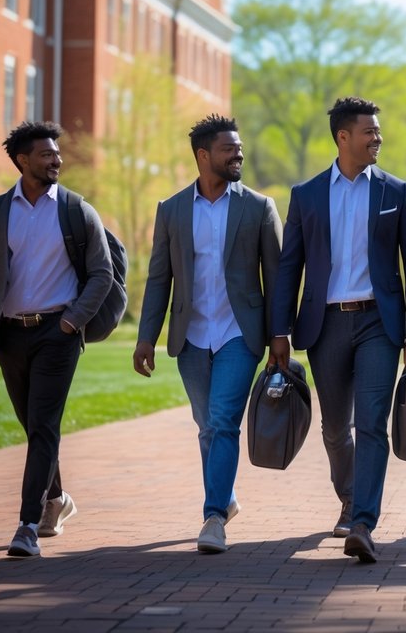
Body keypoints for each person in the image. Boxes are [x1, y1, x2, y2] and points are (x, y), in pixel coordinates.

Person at [0, 121, 113, 558]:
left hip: (58, 334)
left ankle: (27, 526)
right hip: (10, 338)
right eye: (46, 155)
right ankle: (56, 499)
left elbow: (102, 274)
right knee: (34, 427)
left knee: (43, 426)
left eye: (57, 154)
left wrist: (72, 323)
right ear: (22, 161)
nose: (56, 160)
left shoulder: (76, 210)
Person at [269, 96, 406, 564]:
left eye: (378, 132)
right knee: (337, 426)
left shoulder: (395, 193)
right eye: (369, 132)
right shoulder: (308, 195)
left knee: (372, 422)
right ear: (343, 137)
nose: (378, 138)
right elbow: (288, 267)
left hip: (379, 324)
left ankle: (363, 522)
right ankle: (348, 496)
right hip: (325, 324)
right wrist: (280, 331)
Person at [132, 115, 282, 554]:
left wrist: (279, 335)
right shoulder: (172, 209)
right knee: (206, 427)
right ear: (203, 156)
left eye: (239, 148)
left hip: (241, 332)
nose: (238, 154)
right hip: (191, 335)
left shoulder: (258, 206)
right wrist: (146, 336)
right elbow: (160, 277)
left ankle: (213, 516)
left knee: (222, 420)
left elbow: (275, 277)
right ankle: (227, 496)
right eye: (228, 149)